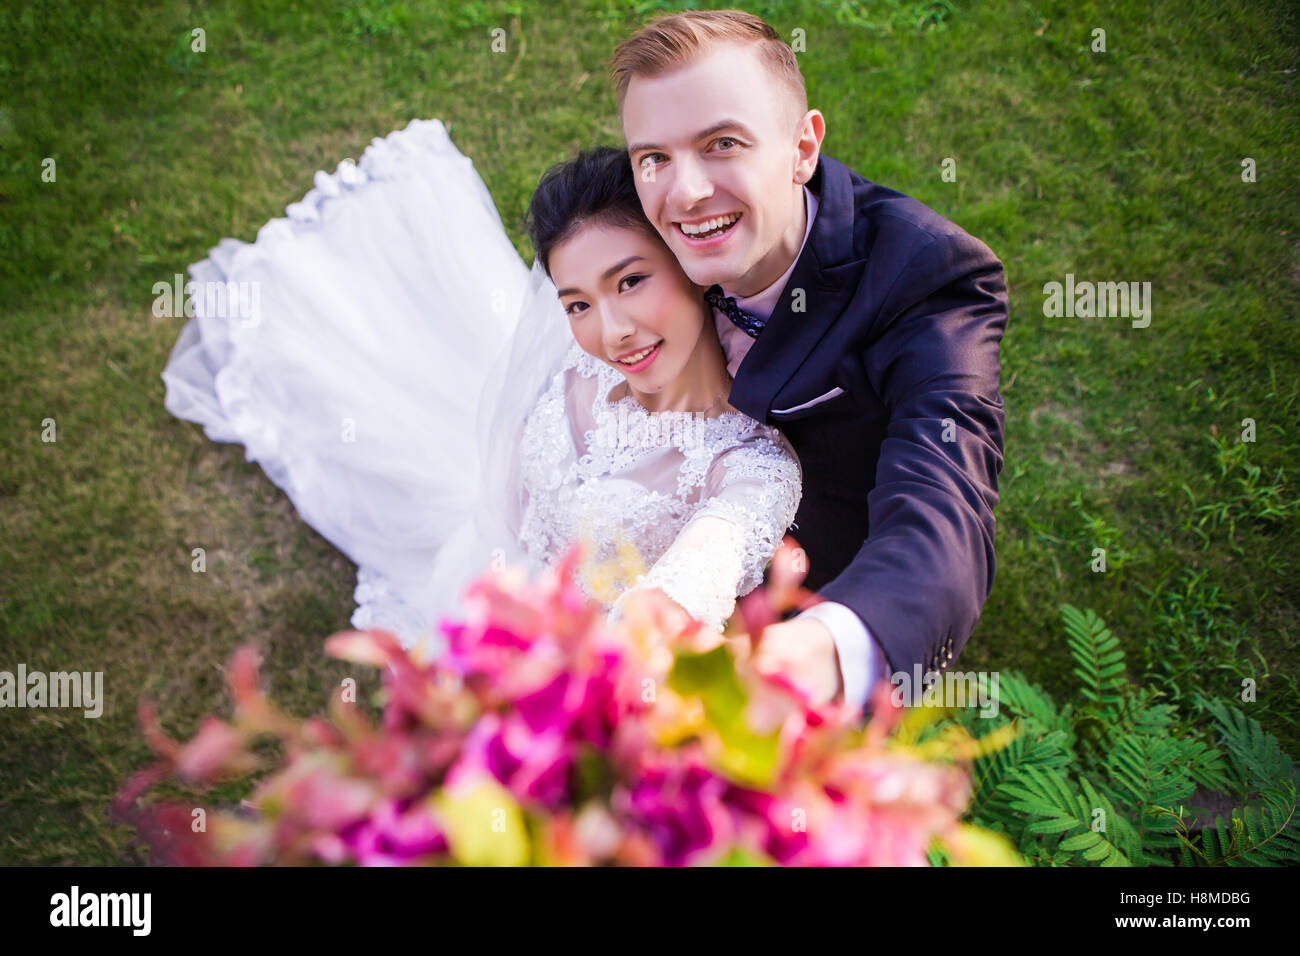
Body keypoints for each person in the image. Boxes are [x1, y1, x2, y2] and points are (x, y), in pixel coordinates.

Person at [161, 119, 803, 665]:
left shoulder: (751, 469)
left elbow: (692, 582)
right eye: (577, 303)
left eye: (631, 281)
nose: (612, 334)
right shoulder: (577, 368)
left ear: (691, 264)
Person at [608, 9, 1009, 712]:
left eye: (723, 143)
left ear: (802, 148)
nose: (687, 193)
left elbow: (944, 503)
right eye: (654, 157)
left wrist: (828, 647)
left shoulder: (923, 276)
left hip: (822, 569)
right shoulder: (641, 242)